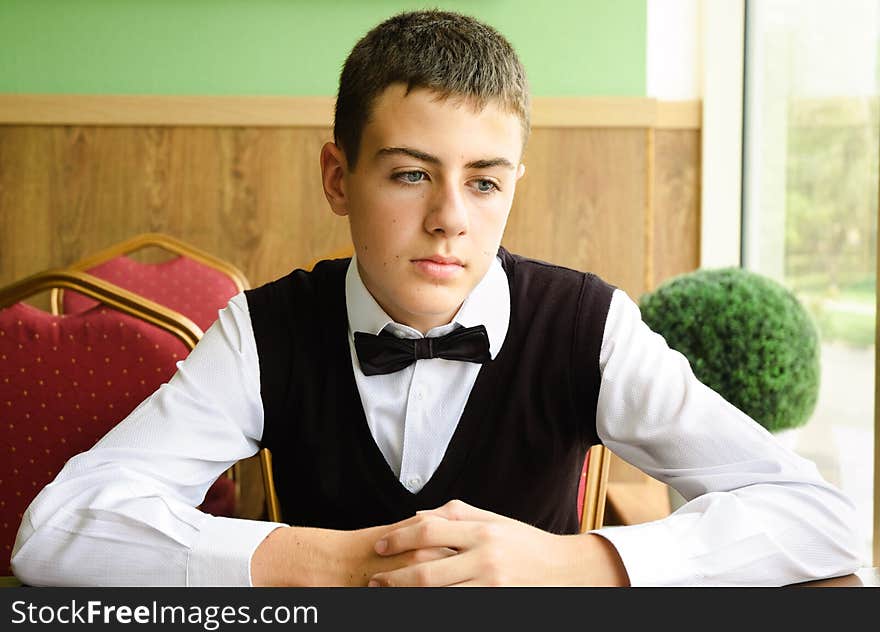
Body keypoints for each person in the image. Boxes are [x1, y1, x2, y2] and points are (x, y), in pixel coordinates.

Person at [11, 9, 862, 587]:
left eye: (484, 182)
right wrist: (339, 562)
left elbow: (816, 516)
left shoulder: (589, 325)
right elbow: (54, 532)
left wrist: (565, 563)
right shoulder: (262, 331)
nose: (450, 218)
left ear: (513, 187)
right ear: (338, 178)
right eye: (411, 173)